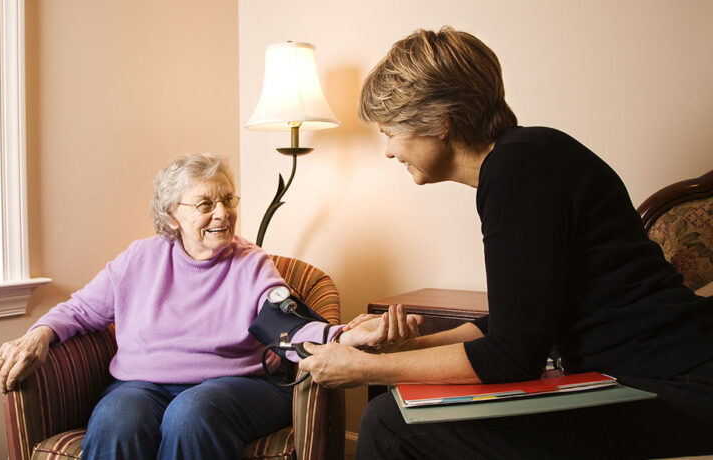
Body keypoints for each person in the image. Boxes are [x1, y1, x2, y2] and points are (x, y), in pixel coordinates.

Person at [299, 26, 713, 459]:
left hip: (677, 385)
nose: (388, 151)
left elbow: (511, 357)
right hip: (650, 377)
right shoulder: (525, 158)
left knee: (389, 422)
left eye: (390, 131)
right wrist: (405, 346)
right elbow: (516, 326)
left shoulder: (519, 168)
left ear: (440, 121)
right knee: (393, 414)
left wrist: (366, 368)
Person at [0, 153, 418, 460]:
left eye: (228, 200)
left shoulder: (250, 264)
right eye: (205, 204)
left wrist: (344, 335)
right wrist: (38, 335)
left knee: (191, 413)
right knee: (117, 419)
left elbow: (287, 323)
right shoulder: (138, 260)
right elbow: (80, 309)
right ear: (171, 215)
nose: (223, 214)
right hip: (141, 386)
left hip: (236, 388)